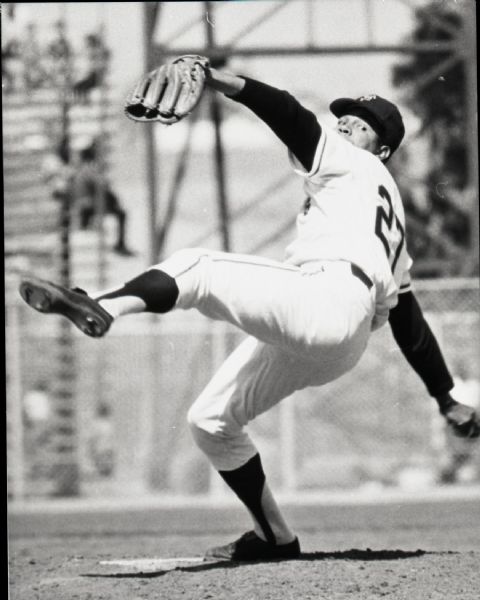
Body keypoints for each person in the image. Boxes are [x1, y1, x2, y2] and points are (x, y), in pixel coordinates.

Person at [18, 65, 479, 562]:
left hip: (326, 297)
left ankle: (100, 305)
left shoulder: (349, 161)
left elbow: (287, 111)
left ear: (382, 148)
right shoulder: (388, 213)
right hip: (342, 337)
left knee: (197, 266)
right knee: (211, 421)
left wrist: (216, 78)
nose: (345, 125)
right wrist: (444, 396)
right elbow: (407, 314)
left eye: (361, 122)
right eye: (343, 117)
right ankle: (275, 537)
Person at [74, 139, 135, 257]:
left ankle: (120, 244)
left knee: (121, 213)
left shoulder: (87, 168)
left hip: (92, 204)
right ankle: (119, 244)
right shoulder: (88, 169)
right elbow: (99, 187)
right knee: (121, 214)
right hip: (90, 205)